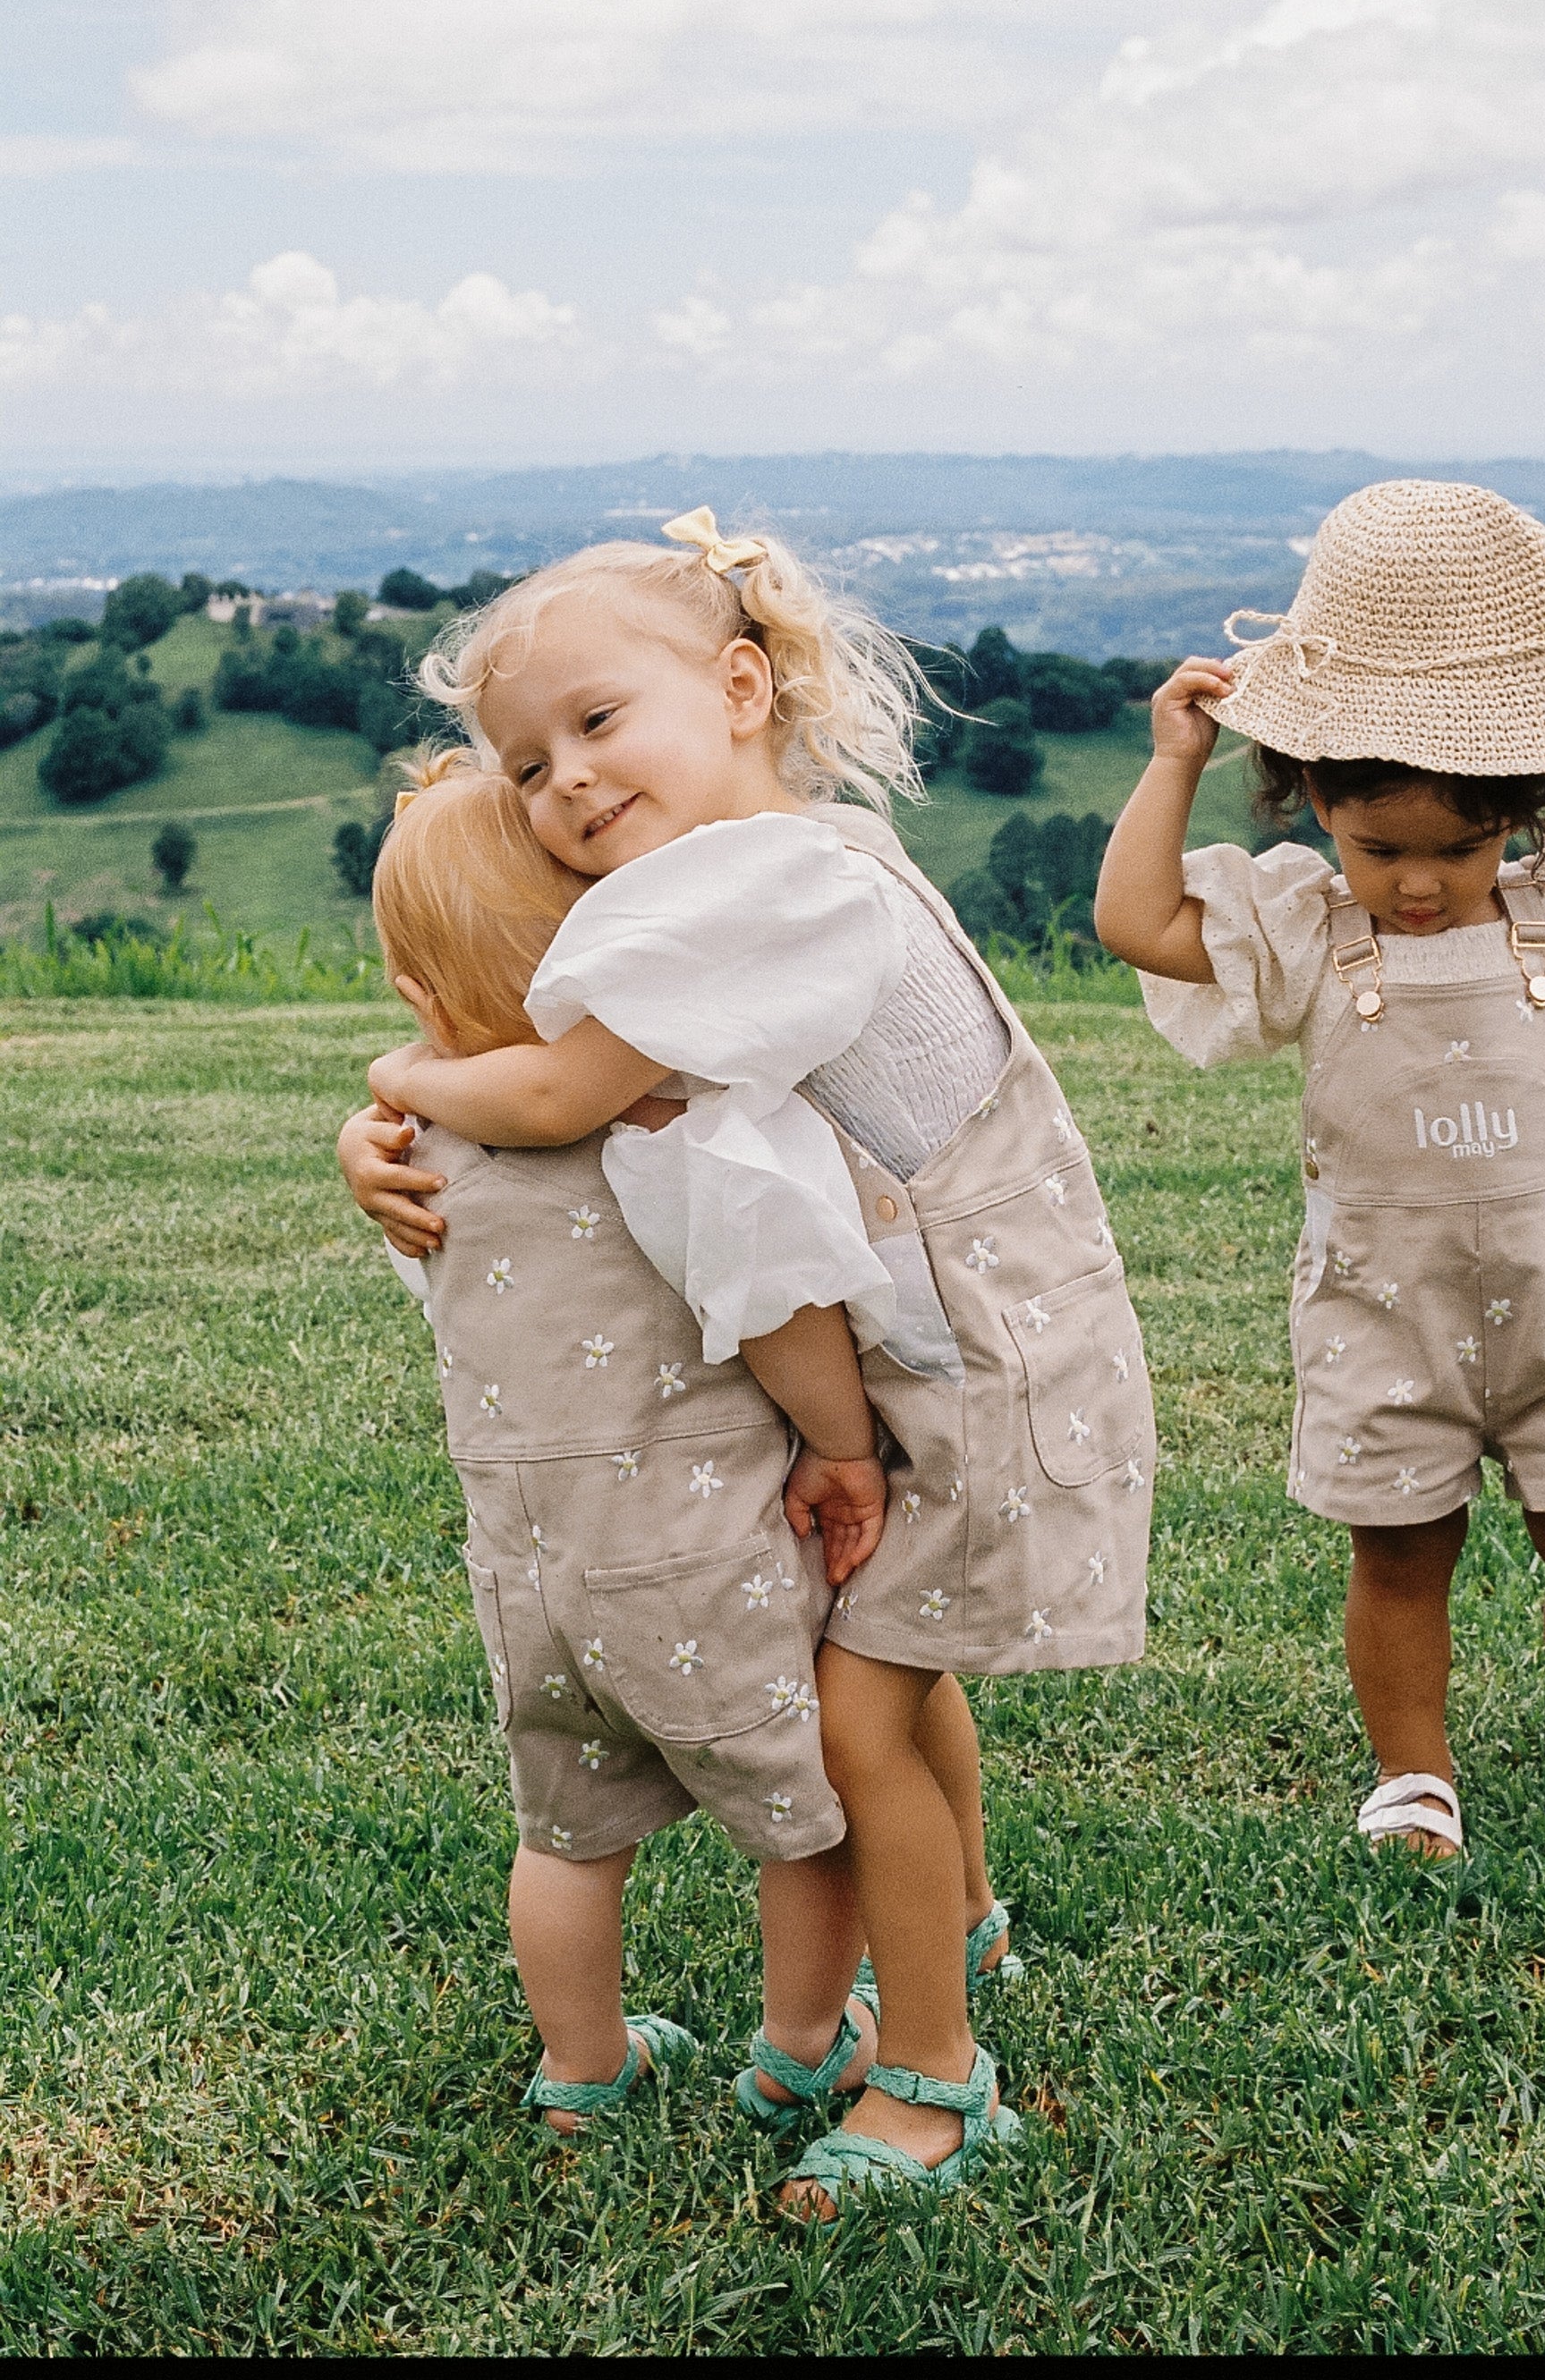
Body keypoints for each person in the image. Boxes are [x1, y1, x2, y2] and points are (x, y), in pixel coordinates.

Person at [338, 509, 1155, 2214]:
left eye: (595, 724)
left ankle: (930, 2082)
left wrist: (399, 1081)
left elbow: (560, 1095)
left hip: (972, 1360)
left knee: (858, 1716)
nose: (561, 781)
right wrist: (386, 1126)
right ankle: (969, 1932)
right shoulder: (777, 864)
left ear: (736, 686)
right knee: (896, 1670)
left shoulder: (774, 885)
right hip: (953, 1334)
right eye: (525, 762)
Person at [1095, 479, 1545, 1862]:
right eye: (1379, 850)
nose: (1417, 886)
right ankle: (1412, 1776)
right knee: (1396, 1558)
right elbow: (1137, 920)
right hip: (1378, 1311)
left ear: (1520, 813)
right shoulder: (1299, 925)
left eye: (1460, 851)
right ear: (1315, 810)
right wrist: (1170, 763)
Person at [362, 750, 893, 2137]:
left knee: (564, 1837)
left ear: (419, 1000)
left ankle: (582, 2073)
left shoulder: (420, 1153)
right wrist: (842, 1444)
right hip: (691, 1557)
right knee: (805, 1813)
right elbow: (776, 1307)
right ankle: (800, 2049)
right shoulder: (672, 1125)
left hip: (527, 1575)